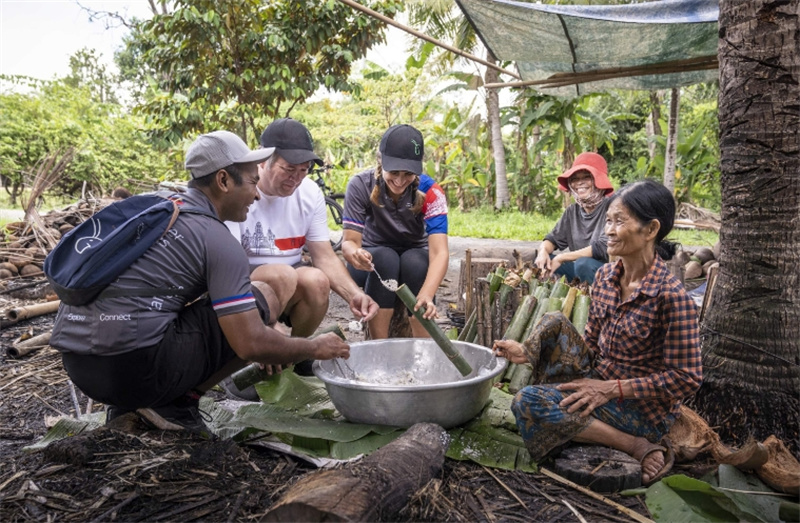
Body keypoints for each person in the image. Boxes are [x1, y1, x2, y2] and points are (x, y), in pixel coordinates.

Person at [50, 130, 351, 435]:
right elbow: (251, 343)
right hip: (134, 370)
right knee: (262, 298)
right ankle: (178, 403)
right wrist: (312, 347)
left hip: (79, 366)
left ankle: (127, 404)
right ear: (223, 181)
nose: (257, 194)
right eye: (251, 182)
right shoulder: (215, 237)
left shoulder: (154, 205)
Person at [493, 179, 701, 486]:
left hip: (639, 408)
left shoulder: (671, 297)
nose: (609, 230)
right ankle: (587, 428)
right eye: (608, 221)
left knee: (528, 402)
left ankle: (635, 444)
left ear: (651, 230)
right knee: (553, 321)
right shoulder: (604, 277)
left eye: (619, 221)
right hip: (599, 381)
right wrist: (527, 353)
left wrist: (610, 389)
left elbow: (686, 379)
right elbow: (589, 342)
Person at [224, 118, 378, 376]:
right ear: (263, 160)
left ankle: (293, 355)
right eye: (289, 169)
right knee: (280, 275)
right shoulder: (240, 190)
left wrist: (355, 295)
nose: (296, 179)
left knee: (317, 280)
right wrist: (268, 323)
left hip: (289, 285)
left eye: (303, 170)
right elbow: (228, 268)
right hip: (243, 289)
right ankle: (253, 357)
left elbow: (324, 256)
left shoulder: (309, 193)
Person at [341, 124, 449, 339]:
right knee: (386, 258)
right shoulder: (360, 185)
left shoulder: (431, 191)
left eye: (408, 174)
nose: (400, 181)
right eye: (394, 173)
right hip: (372, 263)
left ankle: (424, 351)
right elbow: (349, 242)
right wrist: (356, 254)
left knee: (414, 261)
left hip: (414, 259)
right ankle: (379, 347)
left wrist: (427, 294)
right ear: (380, 162)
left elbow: (439, 252)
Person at [534, 152, 615, 284]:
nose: (580, 183)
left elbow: (602, 247)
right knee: (543, 261)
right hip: (580, 268)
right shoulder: (572, 211)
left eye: (586, 177)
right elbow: (553, 239)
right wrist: (542, 251)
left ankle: (595, 300)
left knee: (583, 264)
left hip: (610, 272)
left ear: (598, 180)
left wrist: (562, 258)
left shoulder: (613, 207)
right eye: (575, 179)